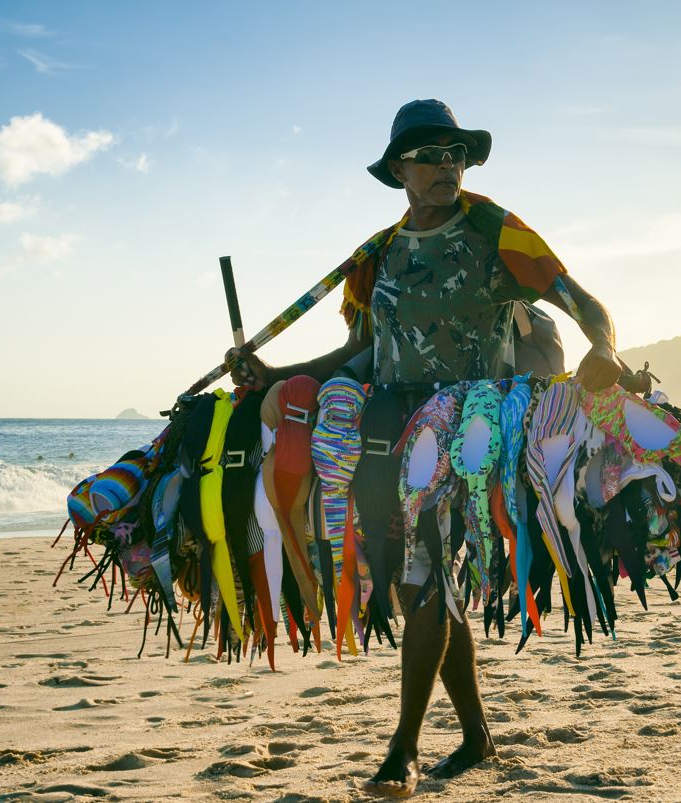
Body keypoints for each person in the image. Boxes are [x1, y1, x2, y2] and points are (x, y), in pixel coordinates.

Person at [227, 100, 624, 796]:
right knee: (421, 587)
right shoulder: (378, 253)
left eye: (456, 153)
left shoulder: (496, 231)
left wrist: (604, 348)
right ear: (398, 170)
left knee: (427, 572)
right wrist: (276, 374)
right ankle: (476, 736)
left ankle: (402, 751)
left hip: (471, 429)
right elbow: (360, 350)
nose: (447, 165)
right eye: (430, 155)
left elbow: (583, 302)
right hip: (390, 429)